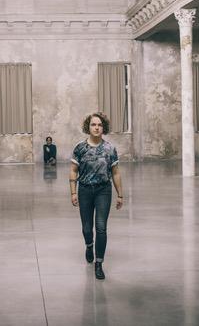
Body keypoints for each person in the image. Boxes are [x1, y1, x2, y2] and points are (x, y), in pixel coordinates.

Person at [69, 112, 123, 280]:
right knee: (87, 228)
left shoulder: (110, 149)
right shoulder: (80, 148)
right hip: (84, 191)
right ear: (88, 127)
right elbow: (73, 170)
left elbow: (115, 173)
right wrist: (73, 192)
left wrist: (120, 195)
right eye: (93, 124)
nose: (97, 127)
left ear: (103, 127)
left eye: (99, 125)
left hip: (103, 191)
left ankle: (99, 263)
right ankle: (89, 245)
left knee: (101, 227)